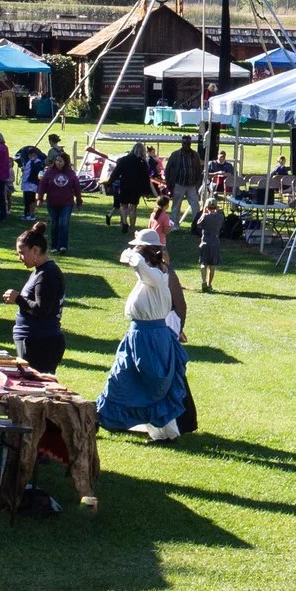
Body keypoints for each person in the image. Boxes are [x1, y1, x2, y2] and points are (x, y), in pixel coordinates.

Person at [97, 233, 190, 441]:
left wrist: (137, 253)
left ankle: (166, 434)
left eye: (140, 248)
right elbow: (127, 258)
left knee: (154, 385)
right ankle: (105, 418)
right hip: (138, 335)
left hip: (151, 337)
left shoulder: (156, 275)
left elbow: (136, 262)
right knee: (120, 376)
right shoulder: (150, 276)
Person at [2, 223, 67, 374]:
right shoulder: (40, 272)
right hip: (36, 340)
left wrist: (17, 298)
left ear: (36, 250)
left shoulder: (48, 274)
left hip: (41, 343)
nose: (20, 258)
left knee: (36, 388)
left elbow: (42, 309)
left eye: (22, 253)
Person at [38, 150, 83, 255]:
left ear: (66, 162)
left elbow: (77, 188)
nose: (58, 162)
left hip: (67, 203)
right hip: (52, 202)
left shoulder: (71, 174)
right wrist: (40, 198)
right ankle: (54, 246)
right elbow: (42, 185)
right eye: (57, 160)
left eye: (61, 161)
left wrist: (79, 201)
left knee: (63, 223)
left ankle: (63, 246)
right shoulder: (49, 172)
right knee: (54, 224)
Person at [110, 144, 151, 236]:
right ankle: (132, 227)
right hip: (136, 187)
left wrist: (110, 182)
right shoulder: (142, 162)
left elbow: (116, 172)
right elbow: (145, 178)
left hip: (124, 185)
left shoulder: (124, 160)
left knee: (123, 205)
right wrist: (147, 191)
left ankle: (124, 222)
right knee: (133, 207)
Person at [164, 135, 204, 228]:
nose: (186, 145)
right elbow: (168, 170)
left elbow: (199, 170)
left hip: (192, 185)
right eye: (185, 143)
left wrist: (198, 184)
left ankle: (196, 226)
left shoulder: (195, 155)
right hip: (179, 184)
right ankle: (174, 226)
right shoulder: (175, 155)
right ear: (182, 143)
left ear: (191, 143)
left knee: (195, 206)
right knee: (176, 206)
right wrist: (169, 184)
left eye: (188, 143)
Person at [196, 192, 224, 292]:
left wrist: (204, 212)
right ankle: (209, 283)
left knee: (204, 263)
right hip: (215, 241)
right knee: (212, 265)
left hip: (205, 241)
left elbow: (198, 224)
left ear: (207, 207)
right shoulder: (220, 216)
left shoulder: (205, 216)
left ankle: (203, 281)